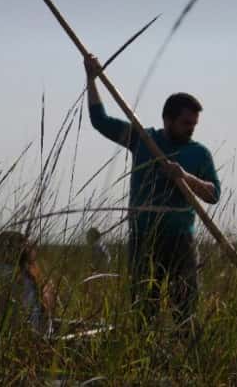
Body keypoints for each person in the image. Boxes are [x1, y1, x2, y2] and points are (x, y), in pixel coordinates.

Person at [83, 54, 221, 331]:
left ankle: (186, 353)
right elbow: (100, 120)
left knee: (186, 307)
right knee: (144, 307)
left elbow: (213, 194)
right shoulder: (143, 140)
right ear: (168, 119)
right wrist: (91, 78)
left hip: (181, 241)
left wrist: (185, 177)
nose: (191, 129)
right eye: (186, 123)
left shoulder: (199, 153)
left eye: (194, 124)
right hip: (144, 239)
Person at [0, 230, 55, 337]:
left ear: (1, 251)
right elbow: (45, 320)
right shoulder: (34, 276)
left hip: (3, 339)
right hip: (35, 340)